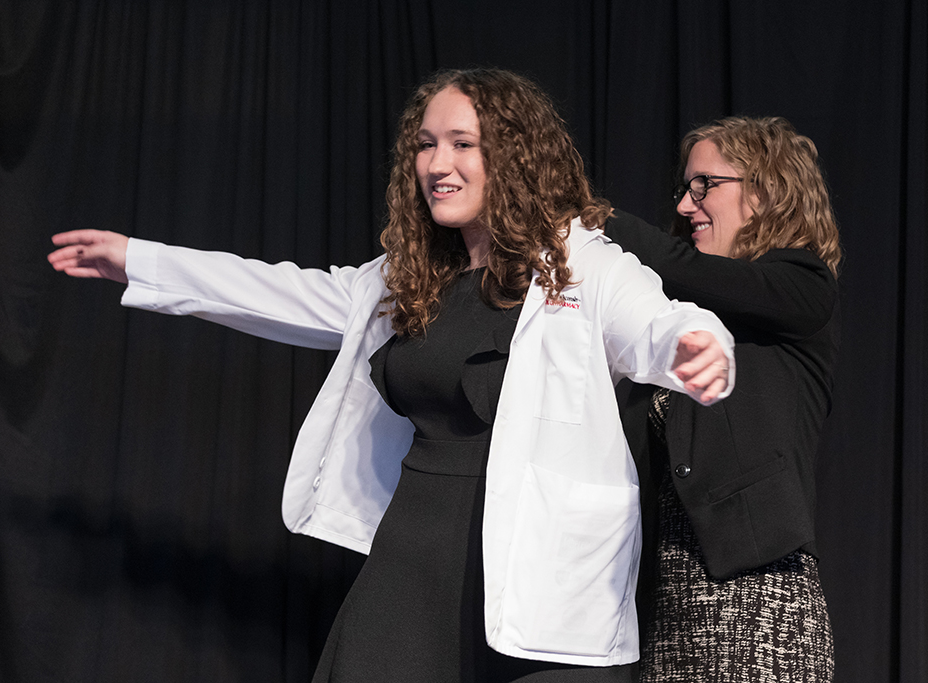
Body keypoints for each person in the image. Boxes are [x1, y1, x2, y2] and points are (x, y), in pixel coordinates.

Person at [49, 68, 736, 683]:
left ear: (516, 154)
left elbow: (657, 321)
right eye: (426, 144)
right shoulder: (406, 281)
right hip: (417, 563)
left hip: (546, 575)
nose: (438, 162)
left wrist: (697, 346)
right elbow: (276, 293)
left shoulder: (581, 264)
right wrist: (139, 260)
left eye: (463, 143)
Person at [602, 116, 841, 682]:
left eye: (704, 185)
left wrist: (595, 221)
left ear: (766, 191)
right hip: (667, 607)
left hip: (758, 598)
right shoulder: (675, 318)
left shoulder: (802, 287)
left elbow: (688, 270)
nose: (687, 206)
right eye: (685, 189)